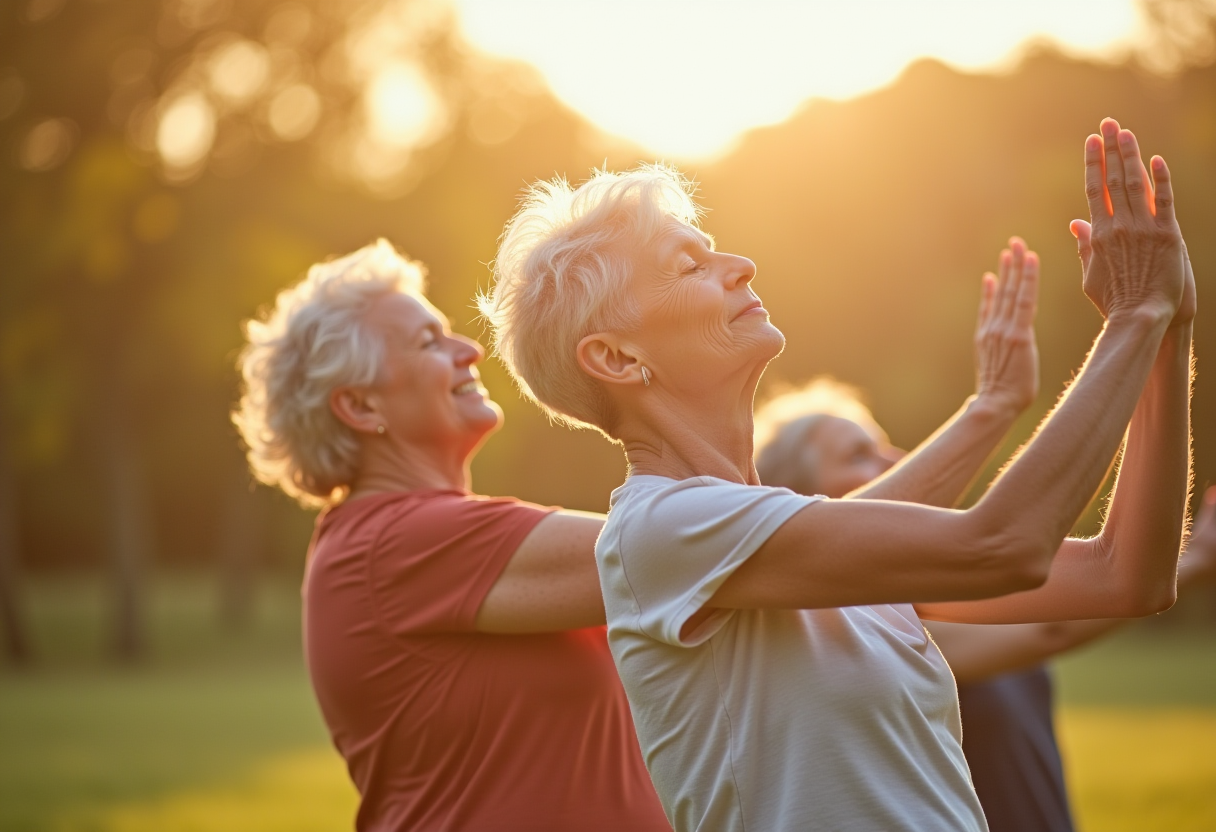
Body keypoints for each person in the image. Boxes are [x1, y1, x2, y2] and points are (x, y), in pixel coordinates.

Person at [478, 118, 1195, 831]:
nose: (740, 265)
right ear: (618, 359)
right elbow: (1003, 544)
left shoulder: (814, 552)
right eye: (691, 267)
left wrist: (1169, 329)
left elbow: (1126, 575)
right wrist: (1133, 317)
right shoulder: (661, 529)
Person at [232, 240, 670, 831]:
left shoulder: (404, 536)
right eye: (428, 342)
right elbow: (685, 553)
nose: (470, 349)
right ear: (360, 405)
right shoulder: (397, 540)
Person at [754, 376, 1216, 832]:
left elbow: (1102, 572)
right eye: (858, 454)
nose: (897, 459)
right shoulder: (866, 628)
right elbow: (1054, 625)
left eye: (884, 445)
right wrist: (1197, 558)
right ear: (801, 504)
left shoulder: (931, 589)